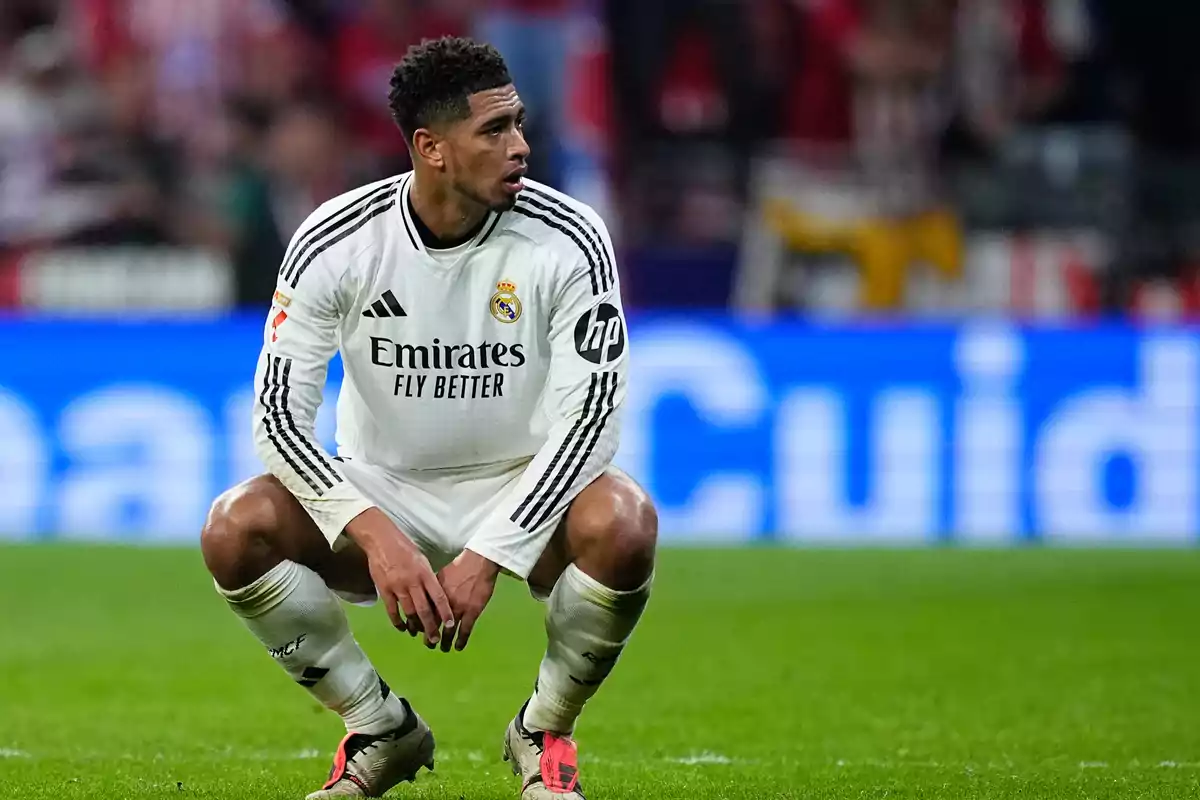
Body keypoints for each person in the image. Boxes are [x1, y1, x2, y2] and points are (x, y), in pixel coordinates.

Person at [198, 36, 657, 800]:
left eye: (519, 124)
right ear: (431, 148)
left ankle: (544, 731)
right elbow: (279, 417)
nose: (521, 147)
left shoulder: (570, 236)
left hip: (520, 487)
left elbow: (593, 421)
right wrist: (374, 533)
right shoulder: (337, 241)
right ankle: (378, 728)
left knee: (626, 525)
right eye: (496, 130)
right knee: (233, 529)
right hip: (383, 486)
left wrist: (492, 553)